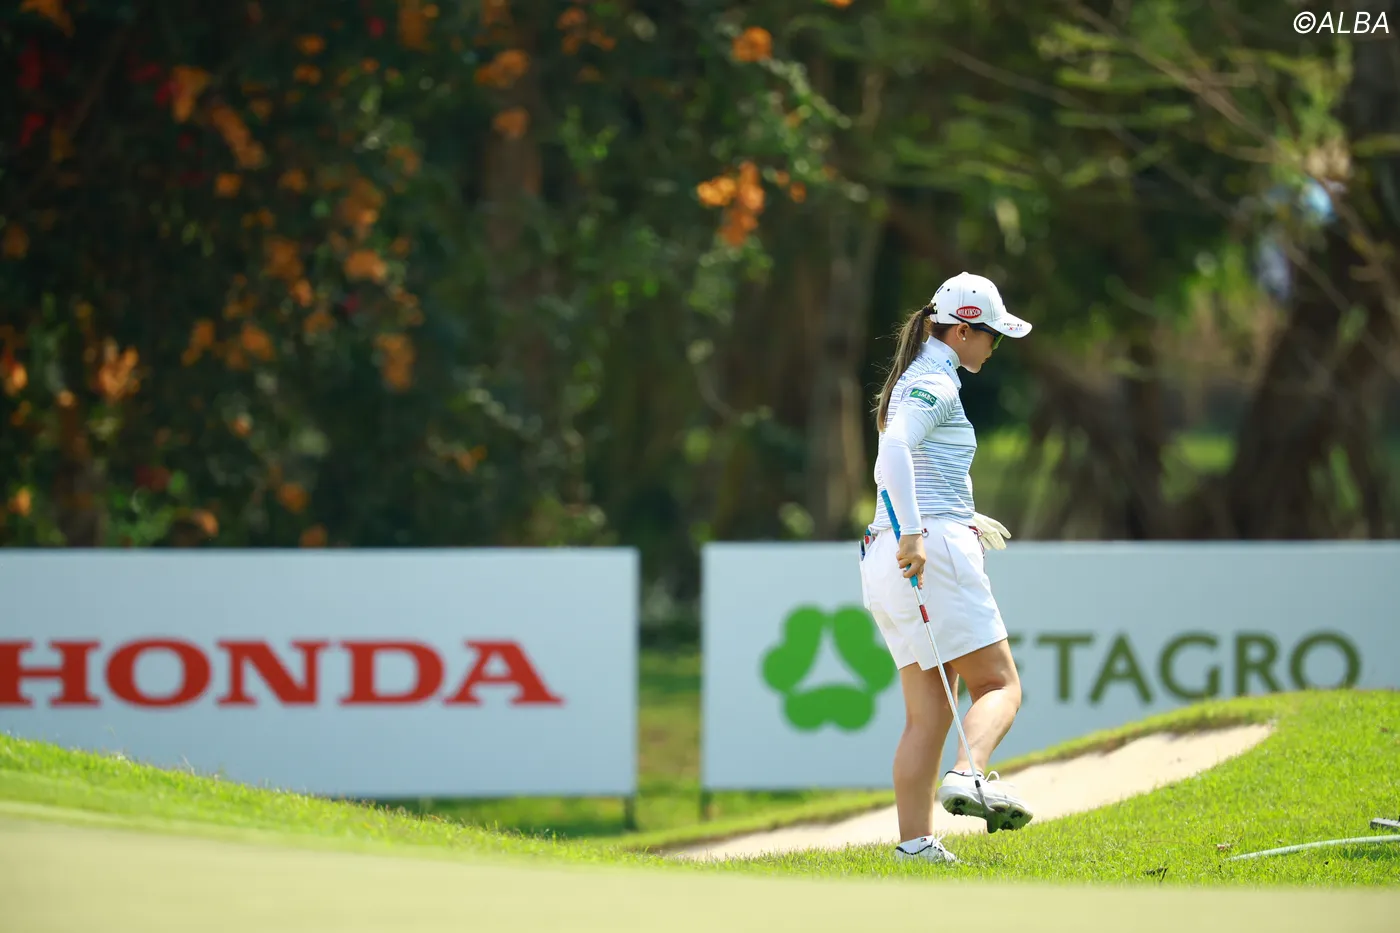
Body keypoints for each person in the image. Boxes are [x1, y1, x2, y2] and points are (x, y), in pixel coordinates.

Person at [857, 271, 1033, 865]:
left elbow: (907, 462)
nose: (993, 346)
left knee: (928, 713)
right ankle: (969, 774)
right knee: (1000, 686)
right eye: (991, 335)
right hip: (926, 548)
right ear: (961, 331)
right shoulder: (935, 381)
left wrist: (946, 517)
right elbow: (894, 450)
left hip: (886, 553)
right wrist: (917, 530)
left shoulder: (917, 376)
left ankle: (914, 846)